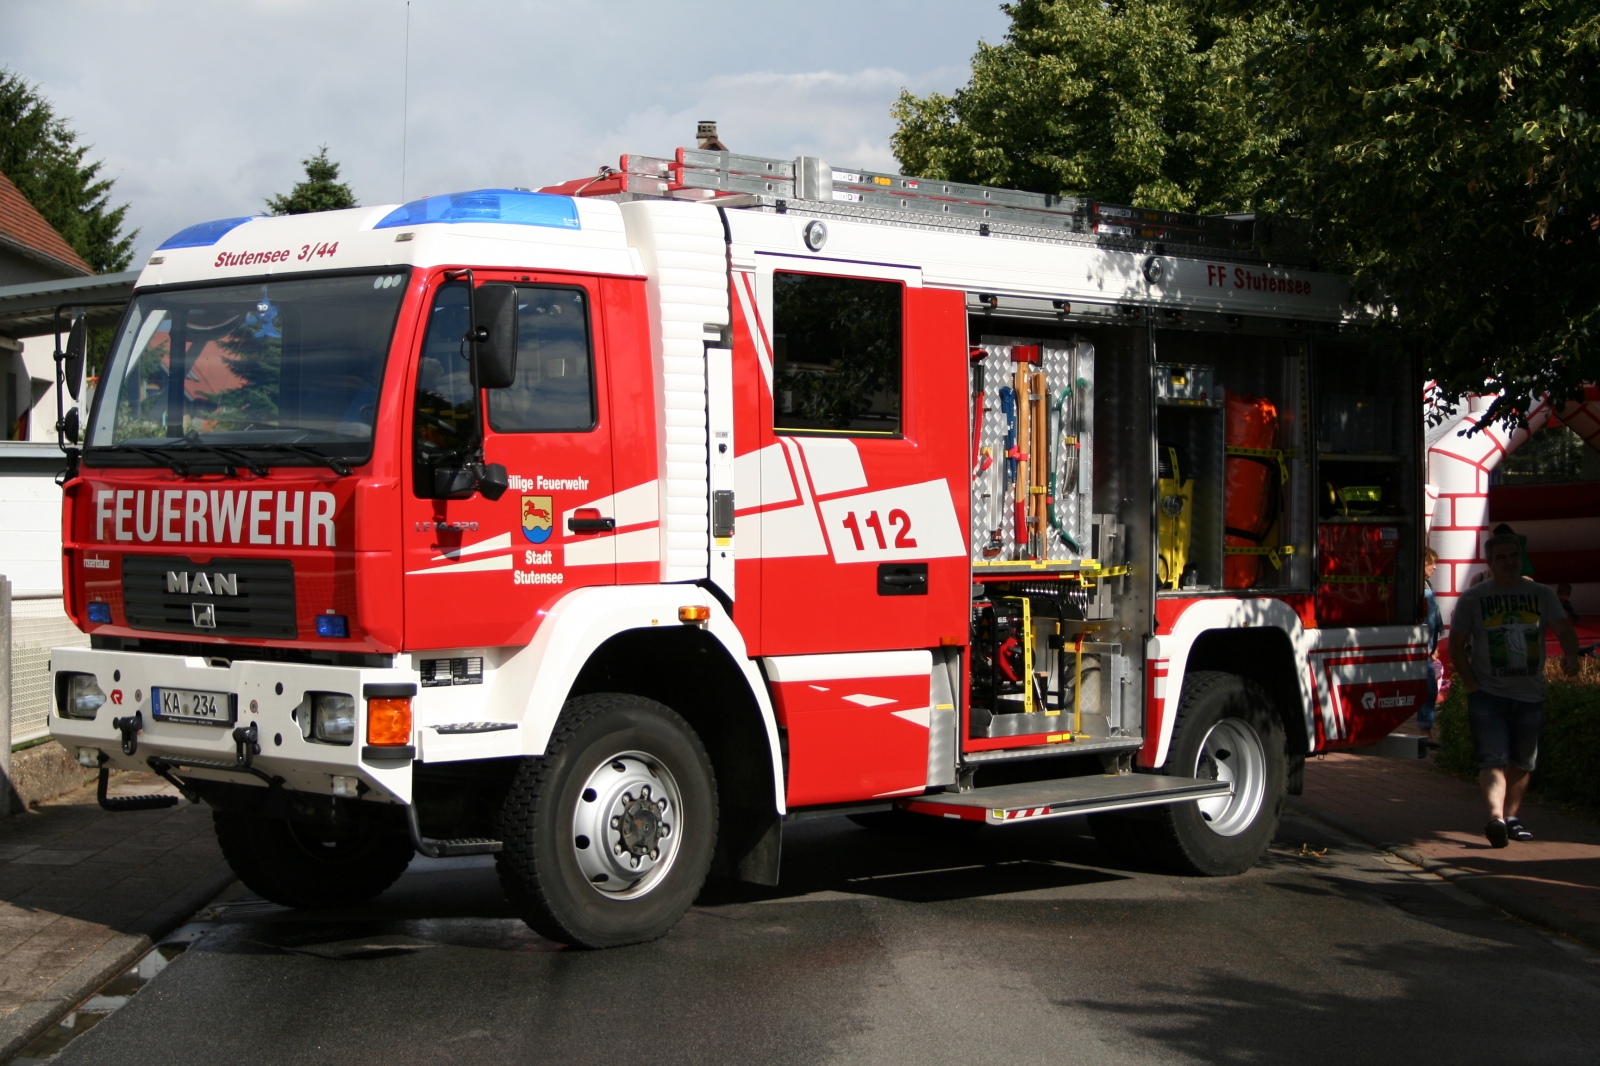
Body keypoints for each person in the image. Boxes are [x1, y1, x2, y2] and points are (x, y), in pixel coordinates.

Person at [1447, 531, 1581, 847]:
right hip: (1488, 695)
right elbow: (1456, 645)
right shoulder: (1474, 597)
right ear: (1490, 562)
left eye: (1514, 556)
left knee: (1523, 761)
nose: (1509, 562)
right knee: (1492, 759)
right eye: (1502, 557)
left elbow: (1564, 630)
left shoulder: (1542, 594)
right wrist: (1472, 685)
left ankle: (1511, 818)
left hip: (1529, 694)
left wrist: (1572, 655)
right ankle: (1495, 817)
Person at [1419, 547, 1443, 736]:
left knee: (1429, 686)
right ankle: (1424, 728)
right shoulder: (1421, 590)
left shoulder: (1427, 586)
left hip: (1427, 646)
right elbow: (1427, 621)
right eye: (1431, 563)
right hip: (1421, 646)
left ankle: (1425, 727)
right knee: (1428, 687)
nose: (1435, 567)